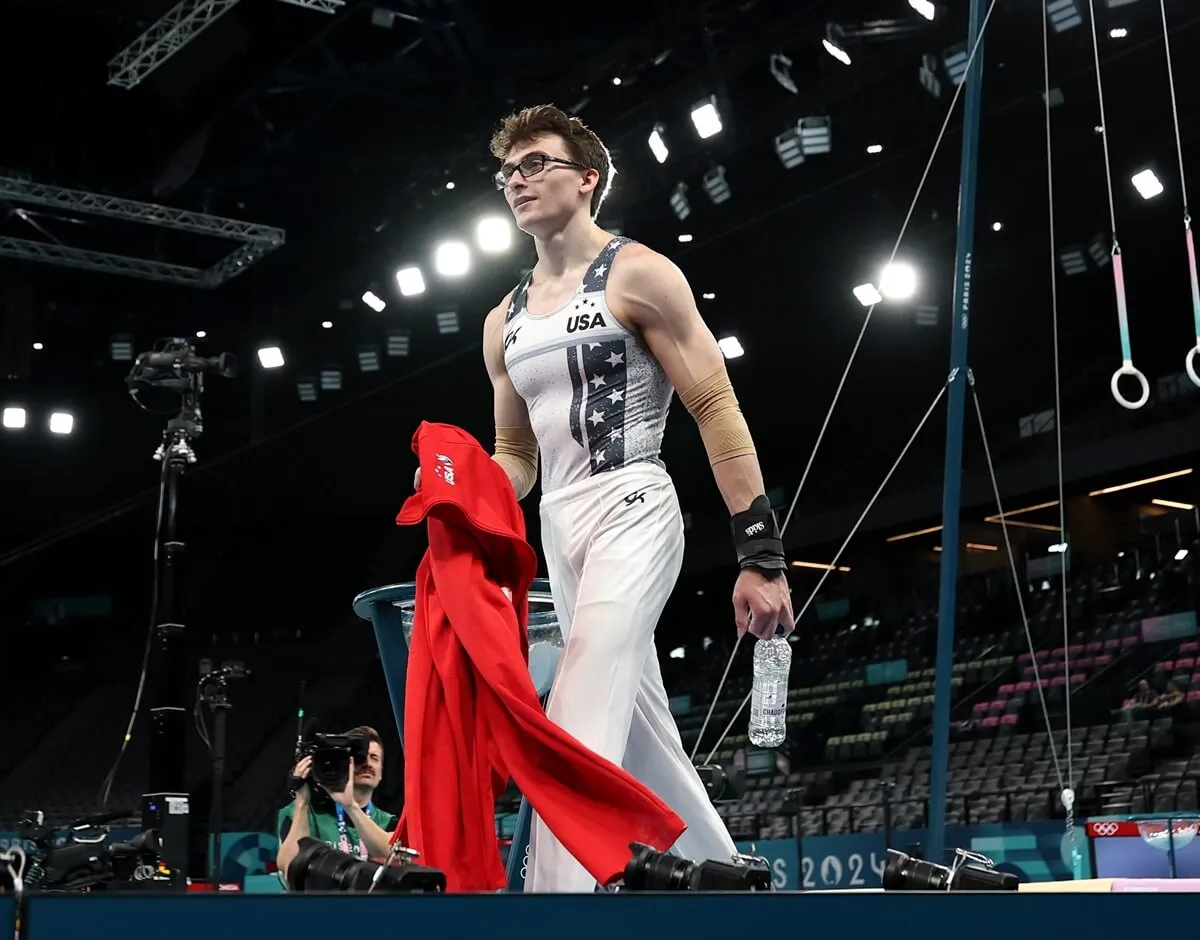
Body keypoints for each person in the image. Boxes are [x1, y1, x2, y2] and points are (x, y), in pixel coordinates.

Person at [413, 104, 793, 893]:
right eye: (508, 171)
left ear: (587, 179)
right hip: (560, 520)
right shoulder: (501, 322)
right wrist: (463, 486)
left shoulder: (640, 274)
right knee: (644, 730)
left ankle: (556, 900)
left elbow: (716, 408)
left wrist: (760, 555)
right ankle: (726, 884)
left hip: (633, 502)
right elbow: (518, 455)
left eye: (537, 164)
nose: (518, 181)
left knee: (581, 696)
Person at [275, 725, 398, 885]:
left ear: (381, 772)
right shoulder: (303, 812)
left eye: (374, 758)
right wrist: (302, 801)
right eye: (360, 758)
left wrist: (350, 806)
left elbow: (393, 858)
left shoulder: (387, 822)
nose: (367, 763)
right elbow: (289, 866)